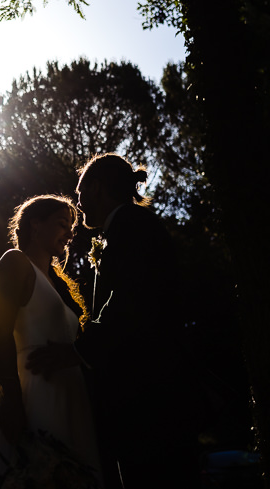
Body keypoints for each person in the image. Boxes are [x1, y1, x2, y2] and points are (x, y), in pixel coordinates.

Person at [28, 154, 203, 488]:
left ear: (96, 188)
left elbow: (128, 302)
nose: (79, 207)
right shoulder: (128, 228)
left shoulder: (133, 226)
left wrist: (75, 352)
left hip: (153, 401)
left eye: (80, 195)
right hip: (146, 401)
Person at [0, 195, 102, 489]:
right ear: (35, 224)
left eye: (71, 227)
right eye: (61, 224)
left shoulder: (60, 284)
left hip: (73, 396)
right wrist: (13, 400)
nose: (70, 234)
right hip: (35, 394)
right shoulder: (15, 263)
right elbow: (1, 334)